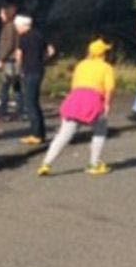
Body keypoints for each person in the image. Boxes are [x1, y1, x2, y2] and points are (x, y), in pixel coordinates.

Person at [37, 39, 115, 177]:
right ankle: (94, 163)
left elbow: (74, 85)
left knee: (63, 135)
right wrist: (107, 105)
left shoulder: (81, 65)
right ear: (103, 54)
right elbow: (109, 89)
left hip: (75, 98)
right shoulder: (106, 67)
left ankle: (46, 163)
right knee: (100, 130)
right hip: (93, 100)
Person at [16, 15, 53, 145]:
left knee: (30, 102)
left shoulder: (24, 38)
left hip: (29, 70)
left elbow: (19, 55)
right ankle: (40, 132)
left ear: (22, 26)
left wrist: (19, 68)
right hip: (39, 69)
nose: (17, 29)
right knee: (35, 101)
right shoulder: (39, 35)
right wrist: (42, 60)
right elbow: (50, 50)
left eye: (17, 27)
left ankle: (36, 134)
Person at [0, 4, 22, 121]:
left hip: (9, 60)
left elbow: (9, 44)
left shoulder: (9, 27)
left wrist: (1, 57)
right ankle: (20, 110)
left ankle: (2, 111)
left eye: (2, 13)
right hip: (13, 60)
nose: (0, 15)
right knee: (16, 87)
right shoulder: (13, 25)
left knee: (5, 86)